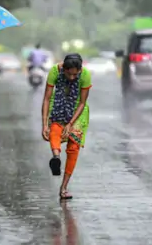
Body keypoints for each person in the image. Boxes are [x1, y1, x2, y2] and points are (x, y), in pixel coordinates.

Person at [41, 53, 92, 199]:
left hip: (78, 111)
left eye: (75, 75)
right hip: (58, 105)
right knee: (55, 130)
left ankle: (64, 187)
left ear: (80, 70)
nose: (72, 78)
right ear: (63, 68)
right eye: (69, 74)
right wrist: (44, 124)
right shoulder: (54, 71)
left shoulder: (86, 75)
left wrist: (70, 124)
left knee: (73, 147)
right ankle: (56, 157)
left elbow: (82, 103)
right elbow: (46, 98)